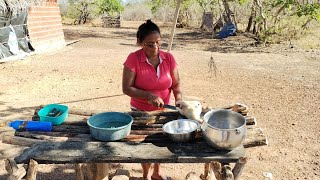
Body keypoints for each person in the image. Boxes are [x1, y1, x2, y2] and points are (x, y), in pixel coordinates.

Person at [122, 19, 182, 180]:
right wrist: (148, 96)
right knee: (144, 145)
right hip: (140, 112)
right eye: (149, 44)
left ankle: (157, 172)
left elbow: (176, 84)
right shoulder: (133, 59)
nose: (155, 47)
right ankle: (146, 175)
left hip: (164, 110)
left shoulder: (168, 58)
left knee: (160, 141)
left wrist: (179, 100)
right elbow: (126, 88)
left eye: (158, 42)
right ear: (140, 43)